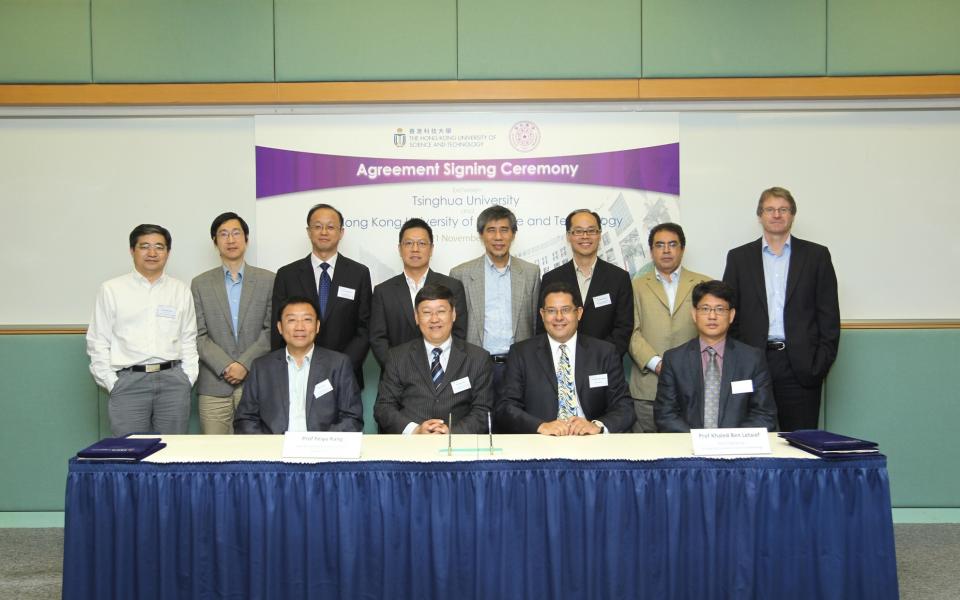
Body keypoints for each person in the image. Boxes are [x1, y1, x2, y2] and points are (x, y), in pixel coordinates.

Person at [722, 186, 840, 431]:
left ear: (792, 215)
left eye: (783, 209)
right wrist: (738, 359)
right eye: (770, 209)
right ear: (760, 215)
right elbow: (729, 314)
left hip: (800, 367)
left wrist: (817, 366)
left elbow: (828, 317)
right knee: (752, 441)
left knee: (800, 444)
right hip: (752, 362)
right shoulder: (739, 258)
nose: (777, 215)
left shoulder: (817, 256)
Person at [86, 224, 198, 435]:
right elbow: (98, 341)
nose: (152, 253)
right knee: (130, 454)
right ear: (132, 251)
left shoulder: (180, 290)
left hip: (173, 382)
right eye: (145, 246)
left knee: (172, 454)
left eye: (159, 247)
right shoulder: (111, 289)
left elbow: (189, 338)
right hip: (129, 382)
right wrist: (112, 383)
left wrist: (187, 378)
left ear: (168, 252)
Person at [498, 281, 635, 435]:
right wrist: (541, 426)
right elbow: (506, 407)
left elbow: (624, 407)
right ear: (542, 315)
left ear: (579, 313)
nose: (559, 317)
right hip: (542, 443)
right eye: (551, 311)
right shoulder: (521, 353)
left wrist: (597, 426)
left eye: (566, 310)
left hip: (591, 441)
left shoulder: (604, 352)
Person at [654, 280, 777, 432]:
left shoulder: (752, 359)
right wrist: (700, 441)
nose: (712, 316)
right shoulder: (674, 360)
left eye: (720, 309)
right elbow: (665, 414)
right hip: (688, 447)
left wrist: (729, 441)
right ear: (694, 314)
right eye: (705, 309)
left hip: (738, 449)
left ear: (731, 315)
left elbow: (764, 414)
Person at [191, 212, 274, 434]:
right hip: (213, 384)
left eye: (236, 233)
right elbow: (199, 335)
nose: (230, 240)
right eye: (223, 234)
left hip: (255, 380)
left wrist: (244, 364)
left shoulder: (269, 280)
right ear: (215, 242)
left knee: (257, 451)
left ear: (246, 239)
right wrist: (226, 366)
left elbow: (271, 330)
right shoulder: (199, 284)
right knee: (215, 455)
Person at [271, 203, 372, 388]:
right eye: (317, 226)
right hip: (297, 373)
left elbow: (364, 328)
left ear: (341, 232)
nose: (324, 232)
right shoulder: (287, 275)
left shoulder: (359, 274)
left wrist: (341, 366)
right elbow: (278, 329)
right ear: (309, 232)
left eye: (330, 227)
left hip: (345, 375)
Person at [374, 284, 494, 434]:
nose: (434, 319)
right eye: (426, 312)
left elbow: (483, 411)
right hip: (411, 447)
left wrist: (452, 433)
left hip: (459, 446)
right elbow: (384, 407)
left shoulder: (478, 358)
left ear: (454, 314)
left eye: (441, 311)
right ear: (416, 317)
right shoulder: (398, 357)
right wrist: (415, 430)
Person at [234, 296, 362, 433]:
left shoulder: (338, 364)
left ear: (317, 326)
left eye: (307, 320)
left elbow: (352, 418)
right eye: (291, 320)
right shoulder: (262, 367)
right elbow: (245, 419)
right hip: (274, 449)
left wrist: (321, 445)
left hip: (321, 449)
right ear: (280, 327)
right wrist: (268, 447)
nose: (299, 327)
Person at [628, 223, 710, 432]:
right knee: (647, 454)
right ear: (651, 250)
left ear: (682, 248)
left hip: (694, 383)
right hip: (648, 387)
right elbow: (631, 331)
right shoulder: (634, 286)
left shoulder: (705, 284)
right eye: (660, 245)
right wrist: (656, 364)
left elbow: (713, 332)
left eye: (672, 244)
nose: (666, 250)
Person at [449, 205, 541, 393]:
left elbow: (535, 325)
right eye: (491, 230)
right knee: (479, 420)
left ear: (513, 234)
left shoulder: (531, 273)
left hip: (519, 366)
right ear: (481, 235)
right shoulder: (460, 274)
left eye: (504, 230)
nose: (498, 237)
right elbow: (455, 327)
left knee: (516, 420)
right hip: (475, 366)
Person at [369, 218, 467, 367]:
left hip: (441, 373)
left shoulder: (452, 286)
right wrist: (398, 370)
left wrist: (439, 367)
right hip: (397, 379)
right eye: (408, 243)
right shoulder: (383, 291)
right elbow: (378, 339)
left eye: (422, 243)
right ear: (400, 248)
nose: (415, 249)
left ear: (431, 248)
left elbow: (459, 333)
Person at [539, 209, 633, 356]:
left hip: (605, 363)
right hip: (562, 362)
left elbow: (624, 328)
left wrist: (601, 358)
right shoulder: (551, 278)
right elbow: (543, 326)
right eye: (578, 231)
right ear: (568, 236)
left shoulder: (619, 278)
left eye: (591, 231)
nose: (585, 236)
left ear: (599, 235)